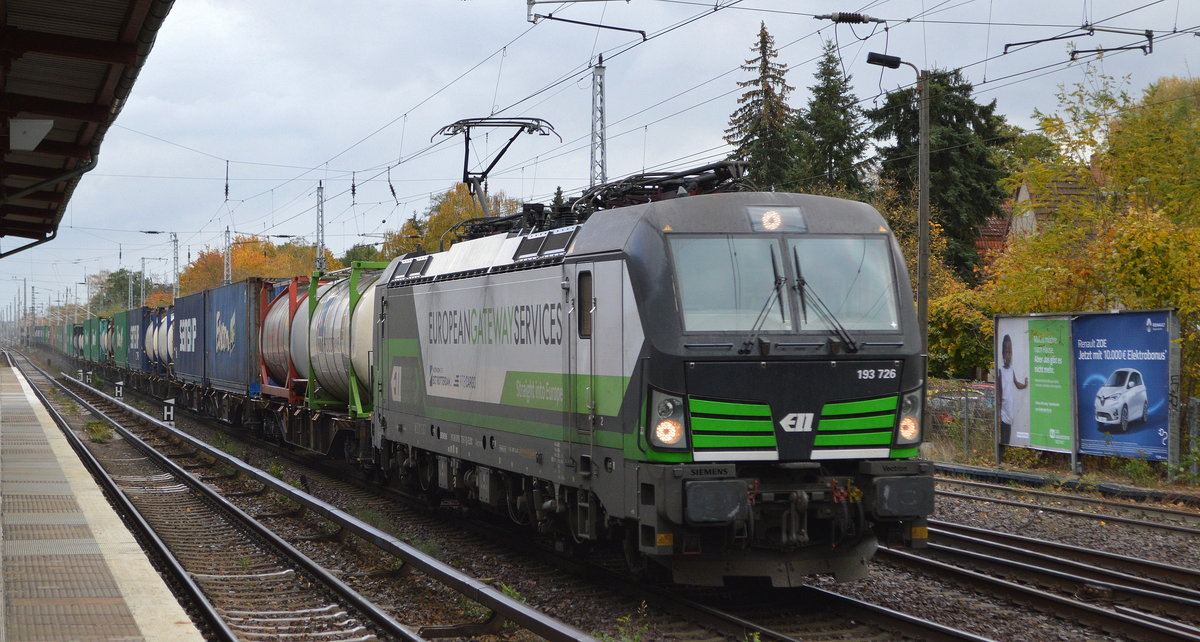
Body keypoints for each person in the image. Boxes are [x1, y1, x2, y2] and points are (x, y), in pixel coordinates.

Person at [997, 334, 1028, 445]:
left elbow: (1015, 383)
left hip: (1010, 407)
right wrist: (999, 407)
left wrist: (1024, 385)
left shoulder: (1011, 370)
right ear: (1002, 354)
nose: (1008, 356)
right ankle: (1002, 450)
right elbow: (999, 390)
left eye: (1010, 353)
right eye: (1006, 353)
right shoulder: (1000, 371)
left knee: (1008, 432)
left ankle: (1006, 449)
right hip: (1003, 407)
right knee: (1003, 432)